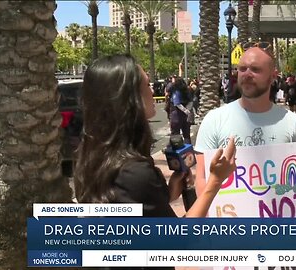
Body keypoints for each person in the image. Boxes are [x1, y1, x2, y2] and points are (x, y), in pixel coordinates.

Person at [74, 55, 236, 222]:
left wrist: (165, 194)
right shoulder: (134, 173)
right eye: (146, 85)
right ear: (127, 97)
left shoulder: (90, 158)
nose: (152, 91)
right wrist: (215, 181)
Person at [193, 42, 296, 207]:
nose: (247, 74)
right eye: (242, 69)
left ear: (273, 76)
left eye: (255, 69)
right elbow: (202, 178)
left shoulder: (292, 123)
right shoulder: (214, 119)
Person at [169, 77, 193, 143]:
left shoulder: (176, 91)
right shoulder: (187, 91)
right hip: (186, 116)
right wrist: (187, 111)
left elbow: (177, 103)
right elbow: (191, 101)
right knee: (186, 135)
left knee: (175, 135)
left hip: (176, 115)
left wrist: (185, 110)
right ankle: (188, 151)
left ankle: (176, 150)